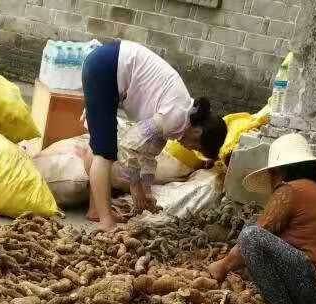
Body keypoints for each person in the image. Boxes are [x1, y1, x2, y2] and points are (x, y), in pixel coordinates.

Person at [81, 39, 228, 230]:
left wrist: (147, 193)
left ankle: (96, 211)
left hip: (110, 66)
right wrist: (135, 187)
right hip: (107, 67)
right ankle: (105, 220)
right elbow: (130, 144)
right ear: (198, 131)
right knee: (105, 152)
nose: (191, 149)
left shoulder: (178, 120)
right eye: (197, 147)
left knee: (100, 146)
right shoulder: (175, 118)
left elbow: (148, 156)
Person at [208, 133, 316, 304]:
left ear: (279, 172)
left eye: (271, 173)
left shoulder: (289, 190)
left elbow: (258, 235)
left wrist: (223, 265)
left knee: (250, 235)